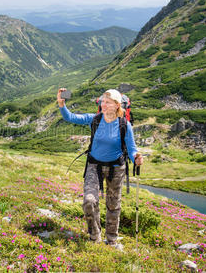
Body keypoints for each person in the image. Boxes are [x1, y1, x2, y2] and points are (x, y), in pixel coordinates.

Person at [57, 88, 143, 249]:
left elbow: (131, 149)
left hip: (116, 169)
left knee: (113, 205)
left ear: (117, 105)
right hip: (94, 166)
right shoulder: (94, 119)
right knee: (89, 201)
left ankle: (111, 240)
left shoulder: (125, 125)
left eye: (107, 102)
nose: (103, 104)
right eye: (102, 101)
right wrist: (62, 104)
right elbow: (70, 117)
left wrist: (136, 157)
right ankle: (95, 236)